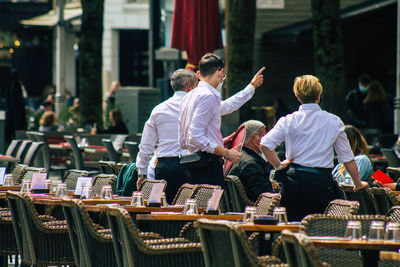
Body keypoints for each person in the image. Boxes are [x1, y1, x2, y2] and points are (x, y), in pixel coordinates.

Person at [137, 66, 264, 203]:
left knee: (167, 214)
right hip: (192, 163)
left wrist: (142, 172)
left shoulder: (158, 110)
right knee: (194, 211)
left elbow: (146, 145)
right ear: (189, 86)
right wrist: (251, 87)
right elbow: (230, 105)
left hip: (165, 167)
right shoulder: (201, 101)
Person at [260, 75, 368, 222]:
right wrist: (358, 183)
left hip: (293, 183)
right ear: (319, 96)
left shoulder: (288, 120)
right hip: (321, 184)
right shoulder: (334, 121)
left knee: (291, 229)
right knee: (322, 229)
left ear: (298, 97)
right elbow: (347, 158)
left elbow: (265, 144)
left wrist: (278, 166)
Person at [179, 53, 265, 188]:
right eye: (223, 76)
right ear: (220, 72)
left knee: (199, 207)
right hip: (206, 164)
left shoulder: (190, 96)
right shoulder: (208, 96)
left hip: (191, 162)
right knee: (210, 207)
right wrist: (226, 153)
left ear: (199, 74)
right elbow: (194, 136)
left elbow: (229, 106)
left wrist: (251, 86)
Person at [230, 120, 274, 202]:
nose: (267, 140)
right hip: (255, 211)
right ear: (253, 138)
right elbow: (265, 197)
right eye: (264, 136)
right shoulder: (252, 164)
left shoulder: (233, 158)